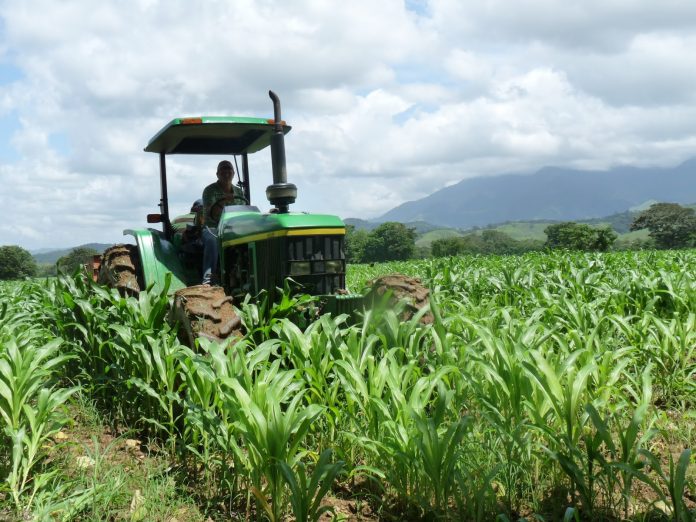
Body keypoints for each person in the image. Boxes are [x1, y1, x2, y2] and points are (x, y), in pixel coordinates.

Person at [201, 160, 246, 285]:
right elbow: (213, 214)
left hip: (234, 228)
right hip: (213, 227)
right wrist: (224, 200)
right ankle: (208, 277)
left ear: (233, 173)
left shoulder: (239, 192)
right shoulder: (209, 190)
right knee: (213, 238)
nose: (226, 173)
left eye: (229, 170)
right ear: (217, 174)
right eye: (223, 170)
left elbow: (243, 211)